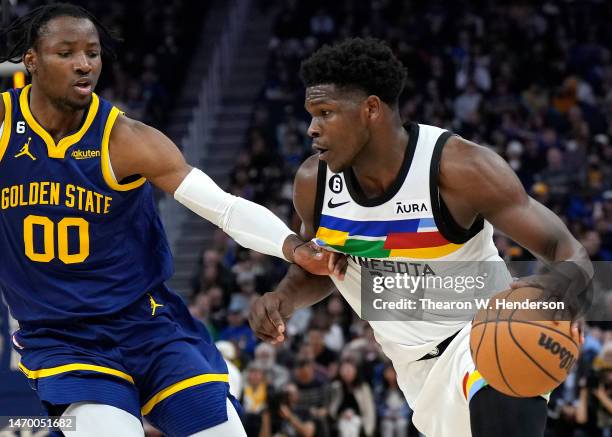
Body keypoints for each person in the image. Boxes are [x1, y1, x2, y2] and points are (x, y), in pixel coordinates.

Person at [0, 4, 345, 437]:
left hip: (147, 324)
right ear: (31, 60)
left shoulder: (125, 138)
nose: (84, 64)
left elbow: (222, 207)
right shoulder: (4, 124)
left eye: (92, 52)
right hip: (63, 336)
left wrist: (294, 246)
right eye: (65, 53)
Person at [249, 37, 593, 437]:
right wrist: (283, 299)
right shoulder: (315, 181)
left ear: (370, 110)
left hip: (483, 332)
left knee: (506, 363)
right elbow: (319, 265)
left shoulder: (459, 167)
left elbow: (568, 251)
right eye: (311, 114)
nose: (311, 128)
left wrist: (549, 288)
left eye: (325, 113)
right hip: (413, 370)